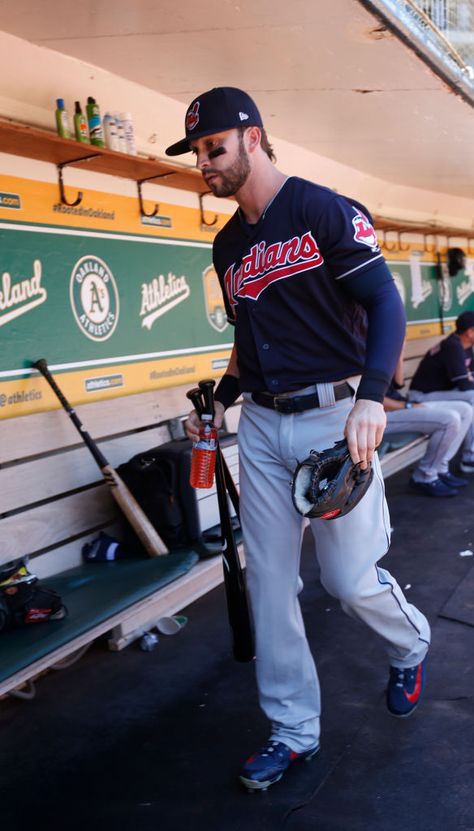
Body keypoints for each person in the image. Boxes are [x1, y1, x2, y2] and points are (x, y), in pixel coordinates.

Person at [166, 87, 430, 792]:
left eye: (212, 147)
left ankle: (410, 642)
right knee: (270, 582)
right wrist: (219, 402)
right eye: (196, 152)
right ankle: (292, 730)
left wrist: (371, 398)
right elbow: (242, 343)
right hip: (261, 422)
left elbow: (384, 302)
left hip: (334, 418)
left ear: (252, 138)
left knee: (346, 580)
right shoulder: (228, 245)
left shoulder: (321, 209)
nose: (203, 163)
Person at [384, 351, 471, 496]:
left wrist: (398, 354)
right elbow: (370, 398)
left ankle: (440, 467)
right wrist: (408, 406)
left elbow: (398, 384)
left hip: (401, 405)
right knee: (449, 420)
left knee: (465, 410)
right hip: (384, 415)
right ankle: (425, 476)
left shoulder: (382, 351)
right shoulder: (363, 353)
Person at [409, 310, 474, 474]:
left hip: (440, 394)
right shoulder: (452, 345)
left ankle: (467, 456)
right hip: (421, 396)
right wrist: (468, 379)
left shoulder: (466, 347)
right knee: (472, 397)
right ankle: (469, 458)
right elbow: (465, 385)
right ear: (470, 332)